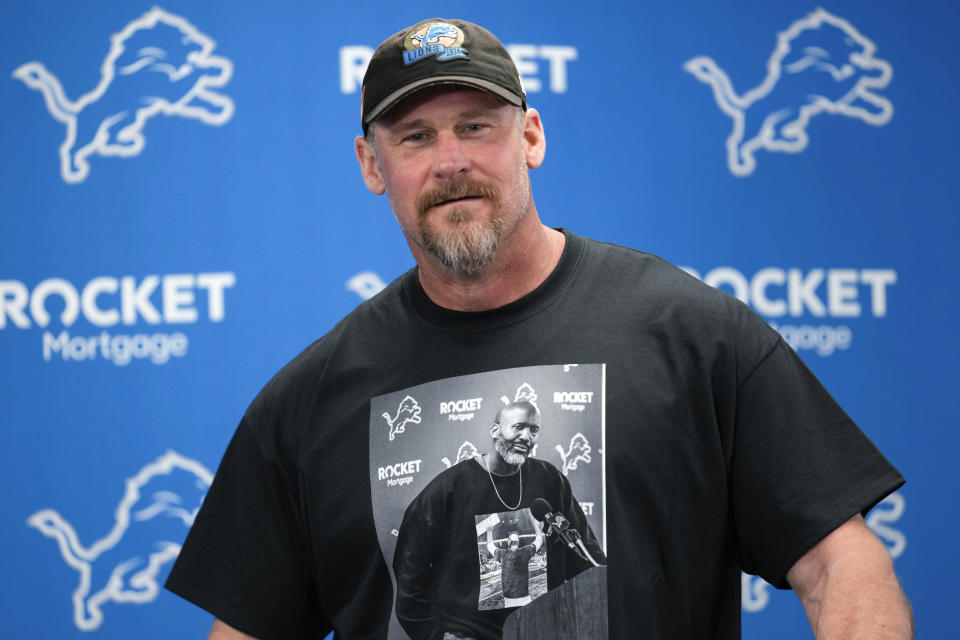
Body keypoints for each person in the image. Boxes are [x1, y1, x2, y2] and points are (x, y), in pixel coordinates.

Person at [166, 17, 913, 640]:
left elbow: (842, 567)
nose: (451, 161)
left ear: (530, 137)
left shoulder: (691, 335)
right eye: (415, 137)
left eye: (476, 126)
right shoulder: (307, 402)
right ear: (371, 164)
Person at [392, 401, 604, 639]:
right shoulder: (449, 489)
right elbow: (410, 572)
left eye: (534, 430)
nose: (526, 436)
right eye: (518, 427)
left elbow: (585, 557)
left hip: (543, 627)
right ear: (495, 431)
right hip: (472, 634)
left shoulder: (551, 481)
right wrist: (437, 636)